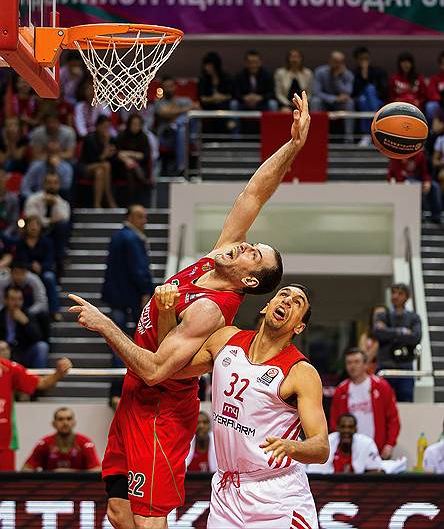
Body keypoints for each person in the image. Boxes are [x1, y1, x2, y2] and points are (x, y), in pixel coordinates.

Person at [68, 92, 311, 529]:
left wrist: (107, 326)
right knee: (119, 510)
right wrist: (292, 146)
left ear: (249, 281)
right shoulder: (219, 255)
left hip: (160, 408)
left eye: (252, 254)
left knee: (148, 517)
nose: (243, 245)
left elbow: (157, 370)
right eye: (251, 243)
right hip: (134, 396)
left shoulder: (212, 311)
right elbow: (255, 194)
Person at [163, 283, 328, 528]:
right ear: (266, 306)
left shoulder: (301, 372)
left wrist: (293, 447)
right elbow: (168, 368)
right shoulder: (225, 339)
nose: (287, 301)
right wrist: (166, 313)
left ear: (299, 327)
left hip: (277, 493)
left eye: (297, 302)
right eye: (283, 294)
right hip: (226, 490)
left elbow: (321, 447)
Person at [0, 345, 72, 471]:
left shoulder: (9, 369)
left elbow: (41, 383)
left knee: (5, 487)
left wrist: (58, 374)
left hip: (4, 442)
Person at [102, 205, 154, 366]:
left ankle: (120, 369)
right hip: (129, 294)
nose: (144, 221)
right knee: (129, 335)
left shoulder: (118, 236)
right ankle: (126, 371)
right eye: (140, 217)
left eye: (145, 217)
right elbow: (139, 268)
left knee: (117, 335)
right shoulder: (132, 239)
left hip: (116, 293)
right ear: (130, 217)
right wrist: (146, 290)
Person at [329, 348, 400, 458]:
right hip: (349, 452)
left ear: (365, 365)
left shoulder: (381, 387)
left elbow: (393, 419)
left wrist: (390, 444)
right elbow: (335, 423)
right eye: (349, 363)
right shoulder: (341, 391)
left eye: (357, 362)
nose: (352, 366)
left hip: (378, 450)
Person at [373, 283, 422, 402]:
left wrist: (389, 332)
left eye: (400, 293)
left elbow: (416, 338)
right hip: (385, 366)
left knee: (406, 401)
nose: (395, 296)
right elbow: (378, 333)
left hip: (405, 367)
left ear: (407, 297)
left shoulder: (414, 317)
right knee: (380, 401)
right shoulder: (382, 315)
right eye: (393, 293)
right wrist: (402, 332)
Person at [23, 406, 101, 472]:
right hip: (50, 487)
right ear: (54, 424)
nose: (65, 423)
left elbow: (97, 470)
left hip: (79, 487)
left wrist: (69, 473)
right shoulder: (44, 443)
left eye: (69, 419)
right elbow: (26, 469)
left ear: (74, 423)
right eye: (60, 419)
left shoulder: (85, 443)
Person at [23, 173, 71, 278]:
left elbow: (64, 218)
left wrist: (55, 205)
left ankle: (59, 264)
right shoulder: (33, 199)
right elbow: (30, 217)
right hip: (35, 233)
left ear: (59, 185)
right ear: (43, 184)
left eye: (55, 183)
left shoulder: (63, 203)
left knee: (63, 226)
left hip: (53, 235)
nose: (52, 186)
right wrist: (48, 221)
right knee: (31, 226)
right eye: (49, 182)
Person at [15, 216, 62, 321]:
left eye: (36, 225)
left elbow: (50, 261)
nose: (33, 227)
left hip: (43, 271)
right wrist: (31, 266)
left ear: (40, 227)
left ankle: (54, 311)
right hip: (25, 271)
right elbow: (19, 260)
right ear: (26, 227)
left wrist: (41, 267)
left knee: (49, 278)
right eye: (31, 225)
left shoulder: (47, 242)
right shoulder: (20, 242)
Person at [307, 413, 382, 474]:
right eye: (343, 427)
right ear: (337, 428)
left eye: (350, 427)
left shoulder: (367, 443)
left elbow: (375, 471)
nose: (346, 430)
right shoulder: (327, 442)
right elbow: (314, 472)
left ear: (355, 429)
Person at [155, 76, 198, 176]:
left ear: (175, 87)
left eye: (171, 86)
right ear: (162, 88)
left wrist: (174, 115)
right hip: (167, 136)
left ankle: (176, 124)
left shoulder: (184, 100)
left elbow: (197, 109)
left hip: (185, 135)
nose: (169, 89)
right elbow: (164, 113)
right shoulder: (159, 103)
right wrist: (185, 110)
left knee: (182, 129)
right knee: (183, 124)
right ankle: (182, 167)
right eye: (166, 87)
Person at [0, 286, 49, 368]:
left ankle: (40, 379)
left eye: (20, 299)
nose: (17, 303)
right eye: (13, 299)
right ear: (6, 300)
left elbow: (38, 337)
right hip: (3, 352)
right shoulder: (1, 315)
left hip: (23, 353)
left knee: (42, 347)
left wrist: (26, 323)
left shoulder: (28, 314)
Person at [388, 151, 442, 224]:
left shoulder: (419, 155)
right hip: (403, 182)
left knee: (435, 186)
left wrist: (427, 182)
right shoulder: (396, 156)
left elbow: (424, 172)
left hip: (417, 179)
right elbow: (391, 174)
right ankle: (419, 214)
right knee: (414, 185)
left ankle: (436, 216)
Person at [311, 50, 355, 142]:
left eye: (340, 62)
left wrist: (337, 78)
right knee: (315, 101)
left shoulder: (348, 75)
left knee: (350, 103)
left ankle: (349, 138)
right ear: (330, 61)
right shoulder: (320, 72)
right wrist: (334, 99)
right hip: (324, 102)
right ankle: (314, 135)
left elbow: (347, 93)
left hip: (340, 104)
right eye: (335, 61)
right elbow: (316, 92)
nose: (337, 64)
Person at [78, 115, 118, 208]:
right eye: (104, 127)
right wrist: (105, 153)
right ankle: (109, 198)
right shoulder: (90, 138)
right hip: (86, 167)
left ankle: (97, 204)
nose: (106, 130)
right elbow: (92, 159)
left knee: (100, 172)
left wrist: (109, 150)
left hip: (100, 170)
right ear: (98, 126)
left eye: (108, 127)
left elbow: (114, 159)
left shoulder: (111, 139)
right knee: (105, 166)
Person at [352, 46, 387, 146]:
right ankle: (372, 132)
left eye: (366, 58)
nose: (364, 61)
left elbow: (384, 91)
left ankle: (367, 134)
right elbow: (354, 92)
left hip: (378, 101)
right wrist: (364, 76)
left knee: (370, 89)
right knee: (363, 100)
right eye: (361, 59)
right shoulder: (354, 74)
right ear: (357, 60)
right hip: (361, 102)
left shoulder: (378, 71)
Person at [116, 114, 152, 203]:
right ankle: (144, 185)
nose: (136, 127)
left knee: (132, 171)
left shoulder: (144, 137)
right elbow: (118, 153)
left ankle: (131, 202)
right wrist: (130, 158)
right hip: (122, 166)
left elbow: (144, 156)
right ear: (129, 124)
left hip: (140, 165)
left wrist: (129, 154)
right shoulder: (122, 136)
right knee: (130, 169)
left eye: (138, 124)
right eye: (134, 124)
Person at [358, 304, 389, 374]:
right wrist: (381, 337)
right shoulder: (365, 337)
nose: (380, 318)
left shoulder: (393, 336)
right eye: (377, 315)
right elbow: (365, 360)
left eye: (383, 315)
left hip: (388, 372)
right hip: (371, 374)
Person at [0, 168, 19, 237]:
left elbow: (14, 221)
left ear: (6, 179)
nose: (0, 180)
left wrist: (5, 235)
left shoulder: (13, 198)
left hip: (7, 234)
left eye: (1, 177)